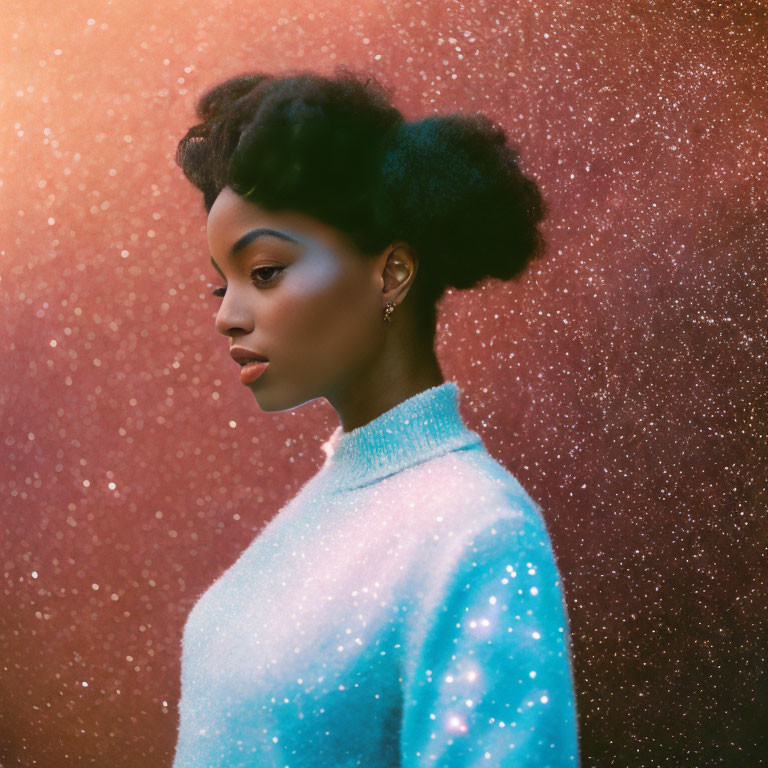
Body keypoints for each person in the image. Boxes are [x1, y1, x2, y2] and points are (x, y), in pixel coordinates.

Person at [171, 66, 580, 767]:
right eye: (221, 283)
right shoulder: (325, 508)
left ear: (390, 273)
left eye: (264, 271)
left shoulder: (477, 532)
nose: (227, 317)